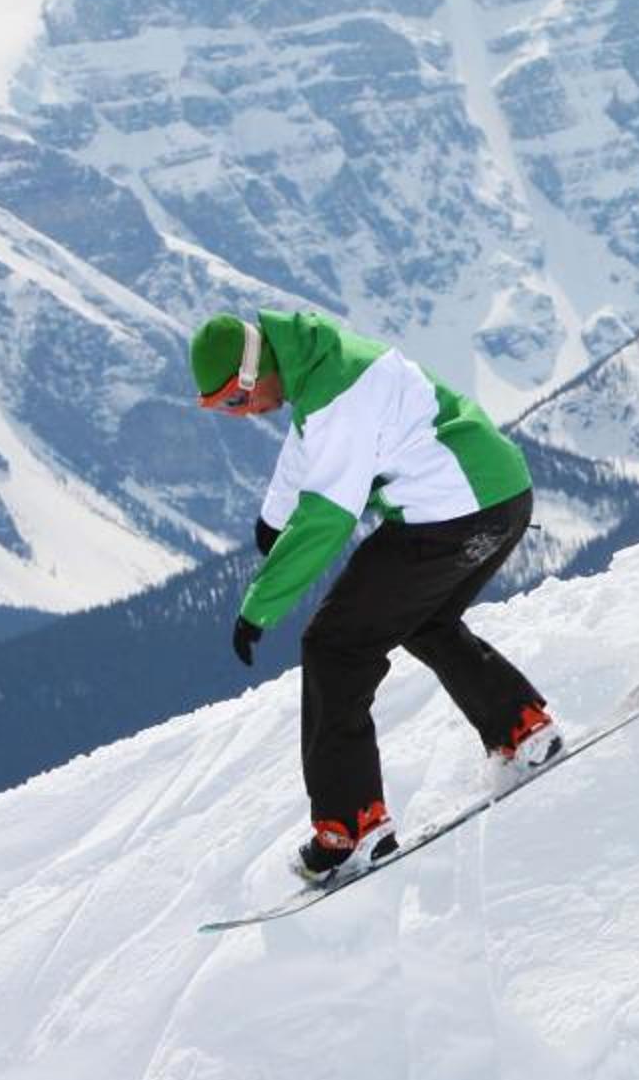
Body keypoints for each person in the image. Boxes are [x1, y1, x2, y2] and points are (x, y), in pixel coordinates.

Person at [194, 308, 560, 882]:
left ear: (254, 370)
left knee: (334, 646)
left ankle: (351, 827)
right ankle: (523, 728)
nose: (240, 414)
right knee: (424, 619)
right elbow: (306, 443)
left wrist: (261, 603)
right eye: (222, 410)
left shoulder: (336, 394)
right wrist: (272, 519)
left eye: (236, 400)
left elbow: (329, 515)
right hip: (499, 499)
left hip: (453, 514)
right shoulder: (323, 363)